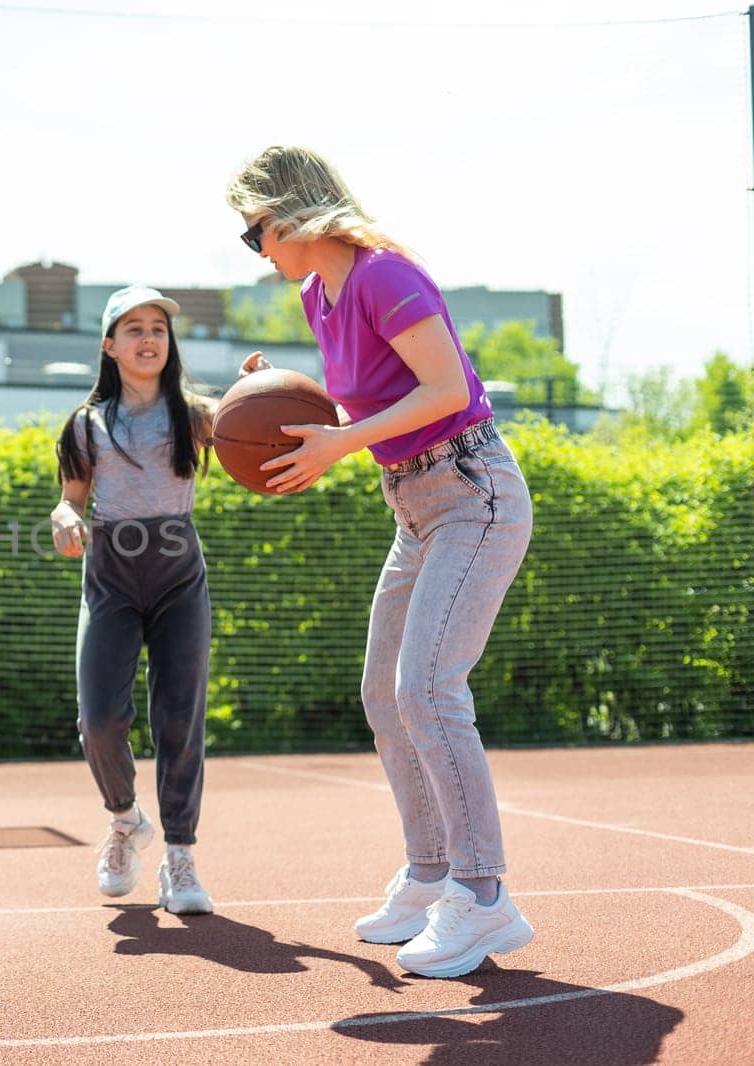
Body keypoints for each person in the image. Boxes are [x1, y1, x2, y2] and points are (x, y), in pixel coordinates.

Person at [225, 146, 536, 978]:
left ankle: (483, 898)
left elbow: (443, 391)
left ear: (287, 217)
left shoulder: (385, 276)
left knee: (428, 691)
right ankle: (432, 873)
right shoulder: (313, 292)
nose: (254, 250)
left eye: (252, 233)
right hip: (412, 503)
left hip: (473, 491)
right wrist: (276, 394)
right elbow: (370, 392)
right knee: (384, 697)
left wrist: (338, 443)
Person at [50, 285, 217, 916]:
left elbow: (265, 428)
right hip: (111, 576)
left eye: (159, 329)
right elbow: (71, 496)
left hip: (179, 574)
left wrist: (266, 385)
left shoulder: (196, 414)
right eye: (134, 329)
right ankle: (124, 821)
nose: (150, 338)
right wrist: (65, 517)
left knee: (179, 718)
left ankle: (180, 855)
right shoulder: (86, 424)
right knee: (99, 719)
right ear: (109, 345)